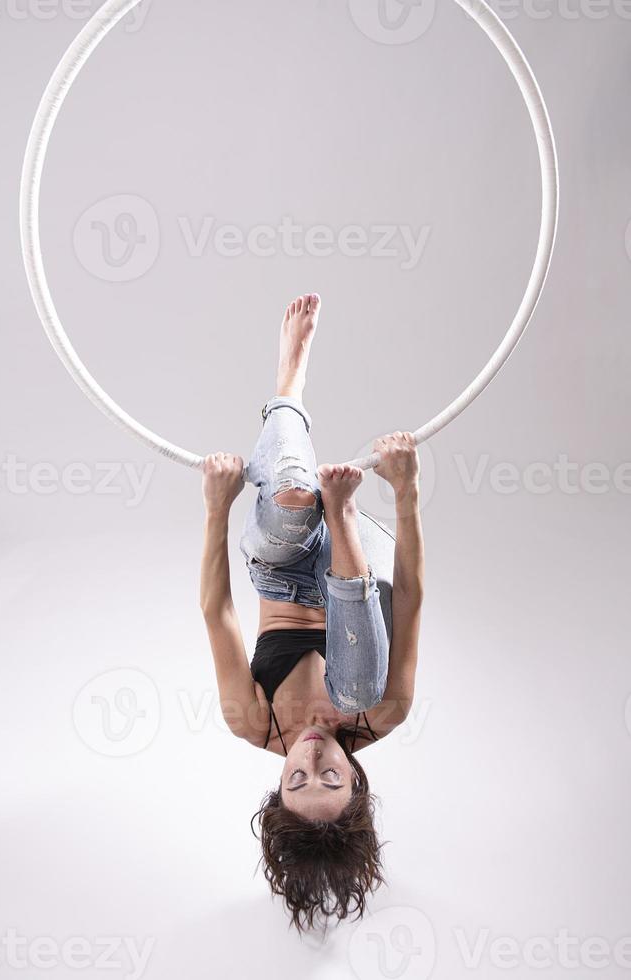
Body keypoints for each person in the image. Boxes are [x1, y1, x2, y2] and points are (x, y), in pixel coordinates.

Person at [199, 294, 424, 932]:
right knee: (356, 689)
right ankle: (344, 512)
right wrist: (406, 493)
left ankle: (289, 380)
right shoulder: (386, 712)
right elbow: (408, 596)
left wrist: (217, 506)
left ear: (279, 791)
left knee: (293, 498)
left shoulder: (251, 721)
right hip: (364, 558)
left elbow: (218, 611)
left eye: (300, 781)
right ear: (357, 784)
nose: (315, 758)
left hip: (285, 565)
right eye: (334, 778)